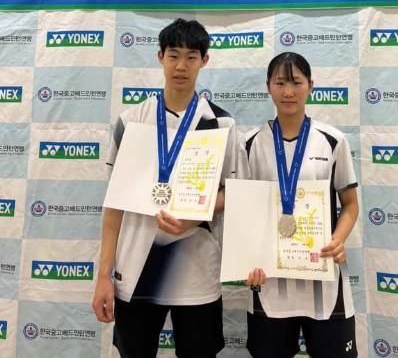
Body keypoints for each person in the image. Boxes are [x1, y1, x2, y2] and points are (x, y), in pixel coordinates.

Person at [92, 18, 237, 358]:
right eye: (173, 55)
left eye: (191, 56)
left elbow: (233, 191)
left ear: (204, 60)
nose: (181, 66)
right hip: (134, 272)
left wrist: (194, 216)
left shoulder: (221, 123)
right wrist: (103, 276)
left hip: (197, 274)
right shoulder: (131, 121)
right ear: (160, 57)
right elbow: (114, 205)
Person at [243, 52, 359, 358]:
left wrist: (338, 240)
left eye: (296, 82)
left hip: (324, 279)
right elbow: (243, 211)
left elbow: (350, 204)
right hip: (268, 282)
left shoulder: (333, 140)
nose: (288, 91)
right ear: (268, 87)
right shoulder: (250, 143)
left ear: (310, 86)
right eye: (280, 83)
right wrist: (244, 260)